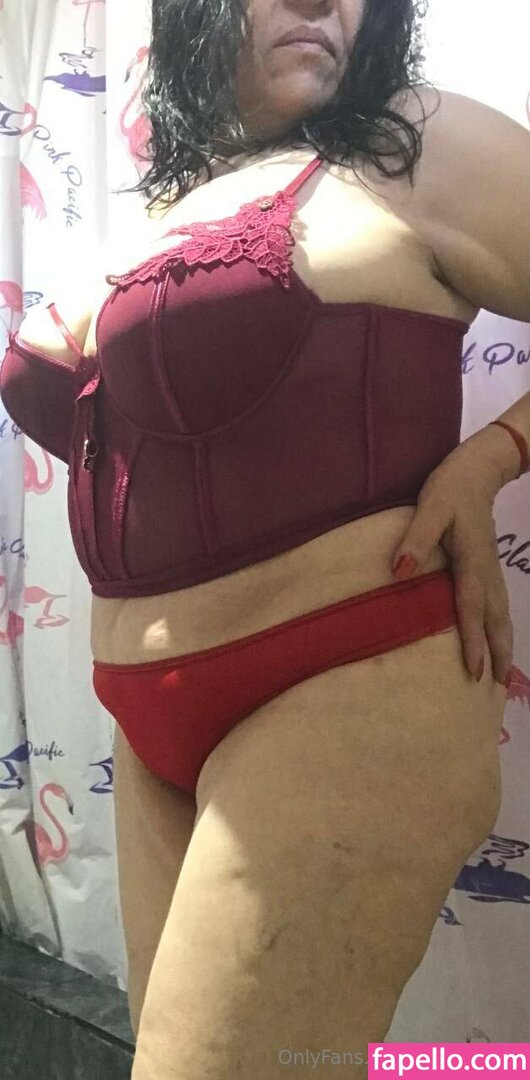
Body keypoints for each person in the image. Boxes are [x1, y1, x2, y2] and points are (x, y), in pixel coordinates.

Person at [1, 0, 529, 1076]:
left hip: (344, 682)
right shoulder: (173, 199)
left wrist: (490, 457)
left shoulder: (415, 140)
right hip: (148, 726)